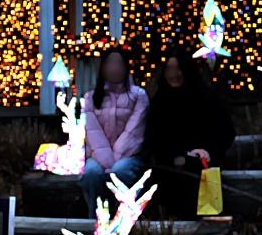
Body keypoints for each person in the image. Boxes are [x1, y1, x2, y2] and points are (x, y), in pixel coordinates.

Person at [144, 49, 235, 215]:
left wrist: (207, 151)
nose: (174, 74)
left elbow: (225, 132)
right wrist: (176, 155)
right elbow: (154, 137)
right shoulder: (160, 101)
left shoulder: (206, 98)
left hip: (204, 163)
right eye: (169, 69)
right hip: (169, 163)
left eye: (178, 69)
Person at [79, 47, 149, 218]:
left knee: (120, 171)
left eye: (118, 63)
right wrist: (106, 160)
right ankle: (95, 220)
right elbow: (91, 131)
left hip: (129, 156)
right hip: (97, 157)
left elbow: (134, 131)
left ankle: (123, 218)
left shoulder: (139, 96)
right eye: (110, 63)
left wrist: (113, 161)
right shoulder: (90, 97)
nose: (114, 68)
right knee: (91, 173)